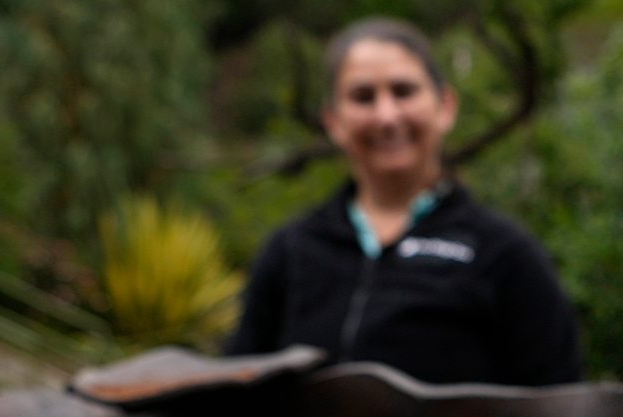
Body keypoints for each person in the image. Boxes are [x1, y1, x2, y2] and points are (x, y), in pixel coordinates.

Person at [225, 18, 582, 386]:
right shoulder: (291, 251)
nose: (386, 116)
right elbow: (238, 395)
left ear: (444, 106)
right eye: (363, 97)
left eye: (403, 91)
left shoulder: (504, 254)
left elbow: (560, 410)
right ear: (333, 120)